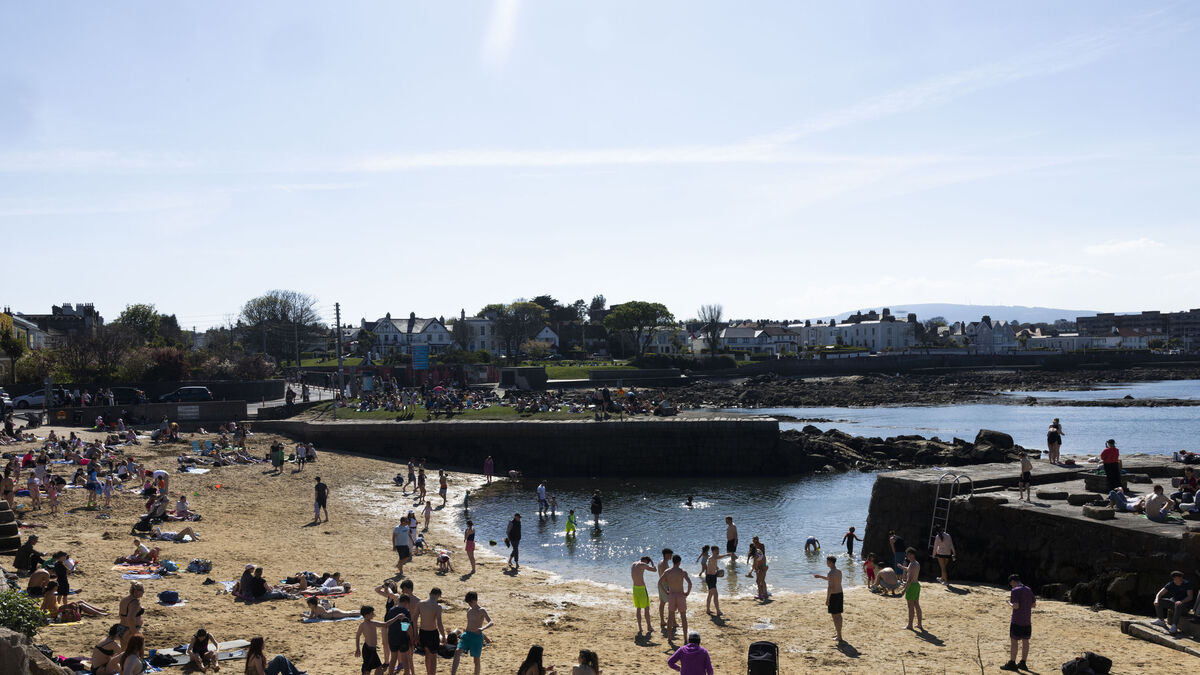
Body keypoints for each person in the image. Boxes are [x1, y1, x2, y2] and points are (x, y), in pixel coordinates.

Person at [449, 591, 492, 675]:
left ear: (475, 600)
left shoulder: (481, 610)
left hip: (477, 637)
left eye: (470, 602)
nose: (469, 604)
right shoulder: (468, 609)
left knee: (476, 660)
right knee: (457, 652)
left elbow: (491, 622)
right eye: (468, 602)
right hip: (467, 635)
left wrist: (482, 628)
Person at [356, 605, 405, 675]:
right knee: (367, 671)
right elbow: (386, 624)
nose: (374, 614)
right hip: (368, 651)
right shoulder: (371, 623)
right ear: (367, 615)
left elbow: (357, 636)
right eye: (372, 613)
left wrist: (358, 648)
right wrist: (397, 617)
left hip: (371, 650)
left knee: (378, 668)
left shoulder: (363, 624)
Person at [1001, 574, 1036, 671]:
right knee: (1026, 641)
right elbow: (1033, 605)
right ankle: (1023, 663)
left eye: (1011, 584)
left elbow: (1016, 606)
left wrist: (1009, 603)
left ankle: (1012, 663)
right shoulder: (1028, 589)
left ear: (1012, 581)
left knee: (1014, 641)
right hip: (1027, 621)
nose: (1011, 586)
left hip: (1017, 620)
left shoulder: (1015, 590)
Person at [659, 554, 692, 640]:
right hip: (680, 595)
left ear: (672, 561)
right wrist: (687, 592)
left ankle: (669, 637)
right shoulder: (682, 572)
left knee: (670, 616)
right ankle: (685, 638)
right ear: (679, 562)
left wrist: (666, 591)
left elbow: (659, 582)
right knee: (683, 617)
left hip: (672, 595)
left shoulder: (667, 571)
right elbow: (690, 583)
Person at [413, 588, 445, 675]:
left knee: (427, 654)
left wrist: (416, 634)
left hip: (423, 632)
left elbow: (414, 619)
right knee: (433, 657)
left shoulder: (420, 603)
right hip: (432, 633)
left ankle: (428, 673)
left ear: (429, 593)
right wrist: (443, 635)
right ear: (438, 595)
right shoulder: (438, 606)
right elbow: (439, 623)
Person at [1152, 570, 1193, 635]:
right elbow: (1160, 593)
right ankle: (1161, 620)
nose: (1176, 579)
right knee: (1159, 601)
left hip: (1184, 606)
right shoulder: (1171, 584)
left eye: (1178, 577)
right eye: (1175, 578)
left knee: (1178, 605)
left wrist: (1181, 601)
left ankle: (1174, 626)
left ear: (1181, 577)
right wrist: (1156, 599)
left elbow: (1190, 597)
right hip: (1174, 603)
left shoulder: (1187, 584)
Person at [814, 556, 844, 642]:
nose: (826, 563)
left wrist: (827, 599)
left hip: (834, 596)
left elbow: (830, 587)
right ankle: (839, 633)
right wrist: (820, 576)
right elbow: (831, 579)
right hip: (840, 594)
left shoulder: (831, 573)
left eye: (827, 562)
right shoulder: (839, 571)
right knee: (839, 615)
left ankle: (839, 636)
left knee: (835, 616)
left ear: (830, 562)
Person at [702, 544, 734, 616]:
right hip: (710, 578)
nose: (718, 551)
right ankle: (718, 611)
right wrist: (726, 554)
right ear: (713, 551)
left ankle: (708, 610)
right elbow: (717, 557)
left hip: (713, 577)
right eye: (716, 550)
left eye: (718, 550)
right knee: (715, 594)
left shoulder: (714, 558)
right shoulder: (712, 557)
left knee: (710, 594)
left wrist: (718, 568)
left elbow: (714, 564)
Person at [630, 556, 657, 634]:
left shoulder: (633, 564)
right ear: (645, 560)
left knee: (638, 608)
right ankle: (649, 627)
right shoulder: (643, 564)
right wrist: (652, 561)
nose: (647, 564)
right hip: (641, 588)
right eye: (647, 562)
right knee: (646, 608)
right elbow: (654, 570)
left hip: (635, 588)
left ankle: (640, 628)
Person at [899, 547, 923, 631]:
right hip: (916, 585)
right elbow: (909, 570)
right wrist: (902, 567)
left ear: (911, 554)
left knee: (911, 607)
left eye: (907, 554)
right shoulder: (916, 563)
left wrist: (904, 590)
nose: (906, 556)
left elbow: (909, 579)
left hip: (911, 586)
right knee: (917, 605)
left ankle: (910, 625)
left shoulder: (912, 564)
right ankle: (919, 624)